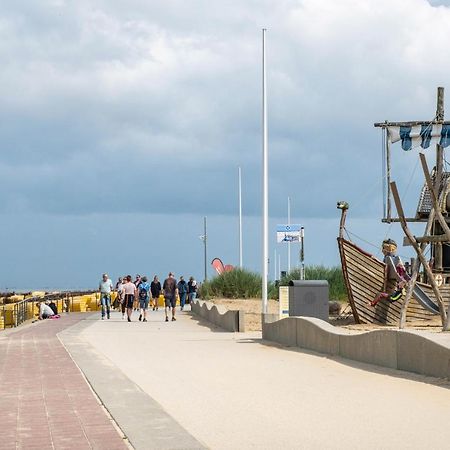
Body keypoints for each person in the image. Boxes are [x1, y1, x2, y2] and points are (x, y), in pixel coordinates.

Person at [371, 239, 408, 307]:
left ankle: (372, 304)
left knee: (382, 295)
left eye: (389, 248)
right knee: (381, 295)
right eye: (385, 248)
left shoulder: (392, 259)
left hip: (392, 297)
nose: (387, 250)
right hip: (393, 295)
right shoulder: (389, 258)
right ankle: (372, 303)